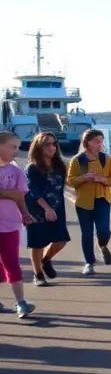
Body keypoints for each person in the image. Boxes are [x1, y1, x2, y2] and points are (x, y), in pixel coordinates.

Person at [66, 128, 111, 276]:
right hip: (84, 202)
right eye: (97, 141)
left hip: (103, 199)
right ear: (87, 142)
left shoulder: (105, 159)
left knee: (104, 230)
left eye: (101, 141)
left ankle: (102, 245)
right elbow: (70, 181)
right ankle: (89, 262)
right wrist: (84, 177)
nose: (100, 144)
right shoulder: (78, 160)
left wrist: (102, 179)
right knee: (87, 233)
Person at [25, 131, 70, 286]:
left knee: (61, 239)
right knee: (37, 242)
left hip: (57, 207)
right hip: (37, 209)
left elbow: (62, 186)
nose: (52, 147)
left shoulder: (59, 165)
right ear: (39, 147)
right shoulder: (32, 168)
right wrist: (46, 208)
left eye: (54, 143)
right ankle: (38, 275)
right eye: (47, 144)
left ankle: (46, 259)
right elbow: (32, 191)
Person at [0, 131, 35, 319]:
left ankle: (21, 302)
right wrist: (8, 193)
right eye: (13, 147)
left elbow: (20, 196)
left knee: (11, 262)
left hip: (10, 224)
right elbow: (13, 194)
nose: (17, 150)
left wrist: (25, 213)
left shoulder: (16, 172)